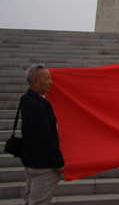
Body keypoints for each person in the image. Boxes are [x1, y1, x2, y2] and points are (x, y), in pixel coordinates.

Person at [20, 64, 65, 205]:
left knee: (29, 199)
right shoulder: (37, 106)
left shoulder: (27, 99)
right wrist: (58, 162)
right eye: (47, 79)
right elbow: (45, 136)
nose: (51, 82)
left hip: (31, 160)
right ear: (35, 82)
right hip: (42, 165)